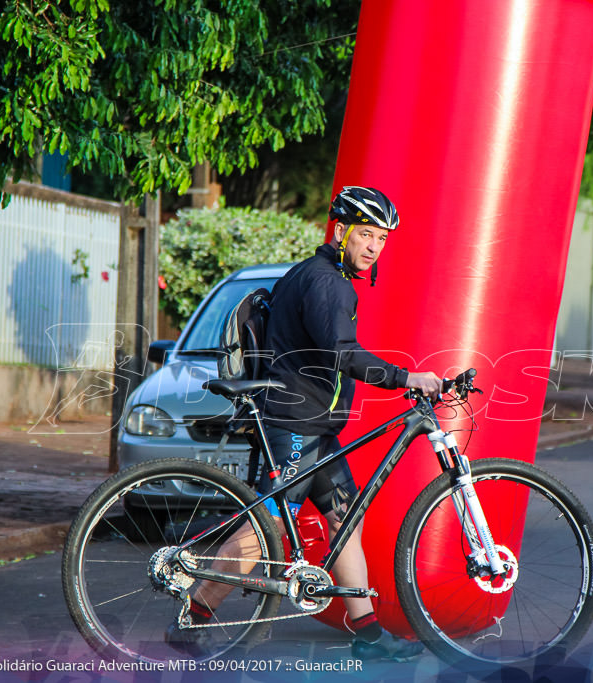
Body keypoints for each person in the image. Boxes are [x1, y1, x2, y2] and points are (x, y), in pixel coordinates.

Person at [166, 186, 443, 661]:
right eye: (368, 235)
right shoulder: (325, 281)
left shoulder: (322, 276)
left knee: (344, 520)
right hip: (294, 422)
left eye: (382, 238)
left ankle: (368, 634)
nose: (375, 247)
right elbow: (341, 351)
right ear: (340, 231)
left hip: (316, 425)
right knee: (266, 528)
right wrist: (405, 377)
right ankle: (193, 618)